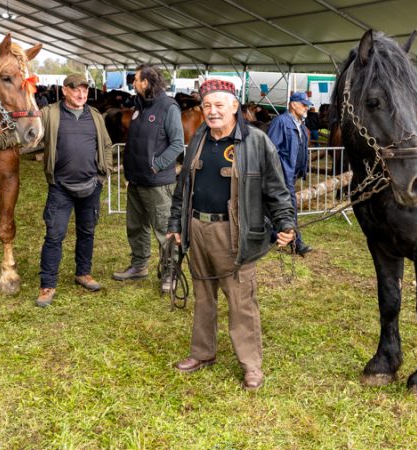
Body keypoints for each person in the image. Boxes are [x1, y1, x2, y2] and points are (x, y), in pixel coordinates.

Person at [166, 79, 295, 390]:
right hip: (197, 228)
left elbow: (277, 189)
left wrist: (286, 223)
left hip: (235, 232)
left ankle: (251, 365)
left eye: (219, 105)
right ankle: (202, 353)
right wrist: (176, 224)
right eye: (207, 105)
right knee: (202, 295)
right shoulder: (198, 137)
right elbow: (183, 188)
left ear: (235, 107)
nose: (212, 112)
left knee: (241, 301)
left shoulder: (256, 142)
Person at [0, 73, 113, 307]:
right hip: (61, 188)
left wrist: (103, 174)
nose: (81, 94)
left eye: (85, 90)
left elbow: (107, 145)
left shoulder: (96, 116)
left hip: (91, 186)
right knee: (54, 237)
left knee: (87, 232)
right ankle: (47, 285)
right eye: (75, 89)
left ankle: (83, 273)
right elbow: (20, 133)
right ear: (64, 91)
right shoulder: (49, 114)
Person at [113, 65, 184, 292]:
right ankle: (139, 265)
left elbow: (176, 144)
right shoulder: (139, 107)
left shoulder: (168, 107)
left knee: (165, 230)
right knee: (136, 226)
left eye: (136, 80)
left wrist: (157, 166)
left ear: (146, 82)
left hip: (158, 183)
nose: (133, 83)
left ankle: (170, 273)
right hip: (136, 180)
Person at [267, 91, 313, 256]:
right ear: (293, 104)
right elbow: (271, 150)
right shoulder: (281, 122)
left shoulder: (300, 124)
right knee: (290, 207)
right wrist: (277, 172)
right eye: (304, 104)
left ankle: (273, 235)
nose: (307, 108)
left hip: (291, 174)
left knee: (276, 206)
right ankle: (296, 242)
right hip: (282, 174)